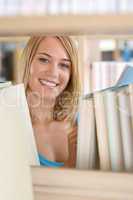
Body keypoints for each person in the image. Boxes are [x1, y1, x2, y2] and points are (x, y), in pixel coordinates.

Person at [21, 36, 81, 167]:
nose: (53, 73)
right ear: (28, 62)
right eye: (44, 60)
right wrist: (72, 163)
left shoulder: (83, 122)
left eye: (64, 65)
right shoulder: (9, 124)